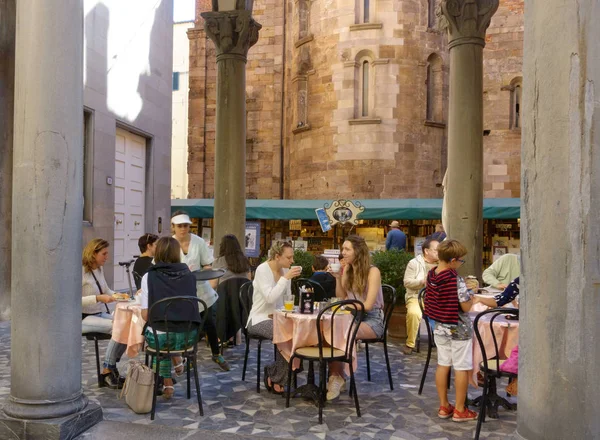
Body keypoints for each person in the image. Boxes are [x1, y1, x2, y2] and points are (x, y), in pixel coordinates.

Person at [140, 237, 202, 399]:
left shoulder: (149, 277)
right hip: (188, 338)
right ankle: (171, 376)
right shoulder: (190, 275)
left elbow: (146, 314)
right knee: (167, 333)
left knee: (159, 334)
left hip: (161, 338)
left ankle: (167, 383)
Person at [424, 239, 478, 422]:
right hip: (458, 328)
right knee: (461, 367)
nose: (461, 264)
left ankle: (444, 406)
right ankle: (460, 409)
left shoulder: (431, 275)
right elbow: (465, 307)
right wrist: (472, 298)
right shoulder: (455, 279)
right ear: (453, 260)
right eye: (461, 260)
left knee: (443, 364)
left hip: (439, 327)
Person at [327, 235, 385, 401]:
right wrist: (338, 277)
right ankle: (336, 376)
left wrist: (348, 305)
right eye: (342, 249)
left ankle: (338, 377)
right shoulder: (348, 270)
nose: (343, 252)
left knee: (342, 331)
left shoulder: (373, 271)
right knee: (331, 329)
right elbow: (340, 296)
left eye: (347, 249)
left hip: (372, 319)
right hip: (352, 317)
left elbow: (367, 305)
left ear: (358, 252)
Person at [171, 211, 230, 371]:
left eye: (186, 226)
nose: (183, 229)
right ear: (173, 227)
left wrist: (205, 275)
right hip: (179, 291)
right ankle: (187, 356)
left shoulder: (198, 242)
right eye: (180, 226)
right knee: (186, 326)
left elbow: (207, 264)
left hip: (201, 289)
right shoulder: (170, 244)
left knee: (209, 322)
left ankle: (216, 353)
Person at [248, 241, 302, 394]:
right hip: (258, 318)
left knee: (299, 333)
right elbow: (270, 298)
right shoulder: (262, 270)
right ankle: (278, 376)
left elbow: (287, 299)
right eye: (289, 257)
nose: (292, 261)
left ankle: (275, 373)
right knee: (284, 334)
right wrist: (285, 279)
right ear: (277, 256)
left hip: (279, 318)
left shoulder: (285, 271)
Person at [81, 238, 127, 388]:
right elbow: (72, 300)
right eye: (104, 254)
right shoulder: (81, 270)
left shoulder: (98, 269)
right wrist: (97, 298)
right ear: (94, 253)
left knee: (128, 326)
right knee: (118, 327)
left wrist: (122, 296)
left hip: (98, 314)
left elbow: (107, 290)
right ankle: (107, 371)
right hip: (83, 318)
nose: (107, 257)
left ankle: (111, 367)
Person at [402, 238, 440, 355]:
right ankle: (410, 344)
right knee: (414, 313)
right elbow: (407, 282)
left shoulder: (442, 264)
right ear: (427, 251)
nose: (439, 252)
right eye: (436, 250)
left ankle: (444, 343)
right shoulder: (414, 263)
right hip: (416, 296)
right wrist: (421, 282)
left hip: (436, 298)